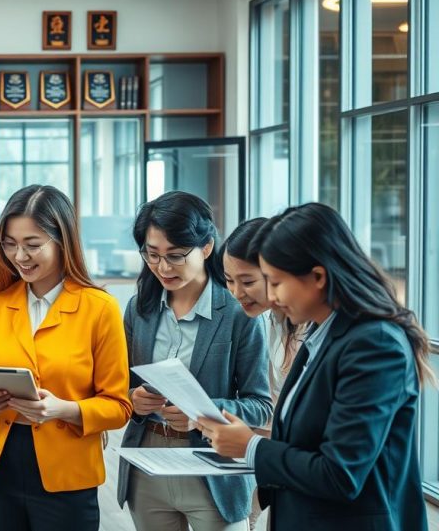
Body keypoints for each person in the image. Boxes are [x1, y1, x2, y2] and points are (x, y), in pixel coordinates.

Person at [197, 203, 433, 531]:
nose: (273, 297)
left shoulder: (374, 344)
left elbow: (341, 474)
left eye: (275, 282)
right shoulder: (321, 336)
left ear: (318, 277)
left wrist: (250, 447)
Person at [0, 184, 132, 531]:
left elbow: (119, 406)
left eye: (33, 245)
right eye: (9, 244)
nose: (20, 256)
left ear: (62, 241)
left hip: (67, 476)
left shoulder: (100, 308)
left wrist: (63, 409)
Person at [117, 191, 272, 531]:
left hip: (213, 467)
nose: (162, 267)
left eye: (175, 255)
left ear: (206, 248)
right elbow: (121, 386)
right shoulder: (138, 309)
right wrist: (133, 399)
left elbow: (261, 405)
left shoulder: (238, 312)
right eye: (152, 255)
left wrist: (201, 412)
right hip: (148, 464)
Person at [219, 217, 306, 529]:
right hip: (273, 454)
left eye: (248, 280)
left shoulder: (320, 328)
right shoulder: (268, 321)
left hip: (291, 460)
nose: (236, 292)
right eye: (229, 280)